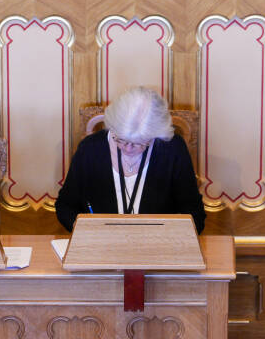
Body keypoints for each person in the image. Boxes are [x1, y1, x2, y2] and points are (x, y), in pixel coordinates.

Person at [56, 86, 205, 233]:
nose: (128, 148)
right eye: (120, 139)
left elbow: (194, 213)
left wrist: (169, 238)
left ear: (156, 134)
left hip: (156, 248)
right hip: (101, 247)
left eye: (139, 143)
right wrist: (87, 232)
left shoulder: (173, 150)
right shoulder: (90, 149)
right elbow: (65, 206)